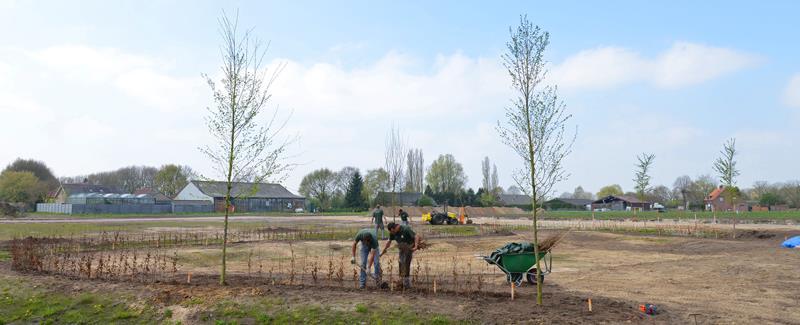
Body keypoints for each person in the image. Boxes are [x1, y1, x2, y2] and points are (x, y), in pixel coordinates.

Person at [381, 222, 420, 289]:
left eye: (392, 231)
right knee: (400, 263)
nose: (392, 233)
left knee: (406, 263)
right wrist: (384, 250)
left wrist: (416, 246)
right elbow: (389, 241)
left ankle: (407, 284)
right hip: (401, 249)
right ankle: (402, 281)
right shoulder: (392, 232)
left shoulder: (405, 229)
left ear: (394, 228)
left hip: (409, 247)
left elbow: (416, 236)